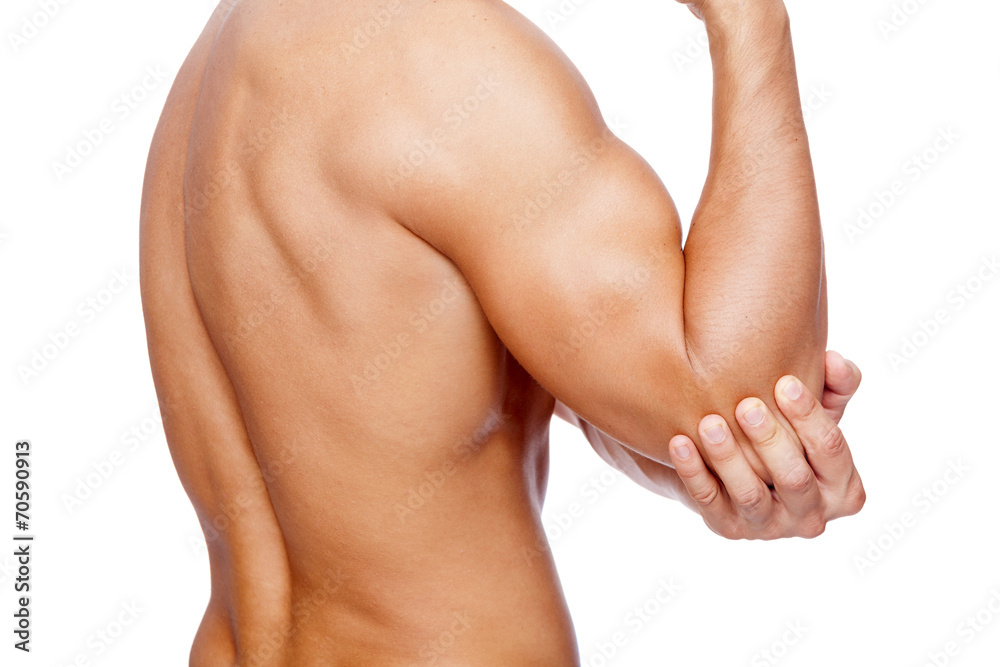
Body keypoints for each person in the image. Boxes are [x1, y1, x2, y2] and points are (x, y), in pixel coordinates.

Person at [138, 0, 865, 663]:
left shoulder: (218, 68)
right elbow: (748, 400)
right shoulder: (441, 61)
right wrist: (750, 23)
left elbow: (404, 421)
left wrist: (716, 475)